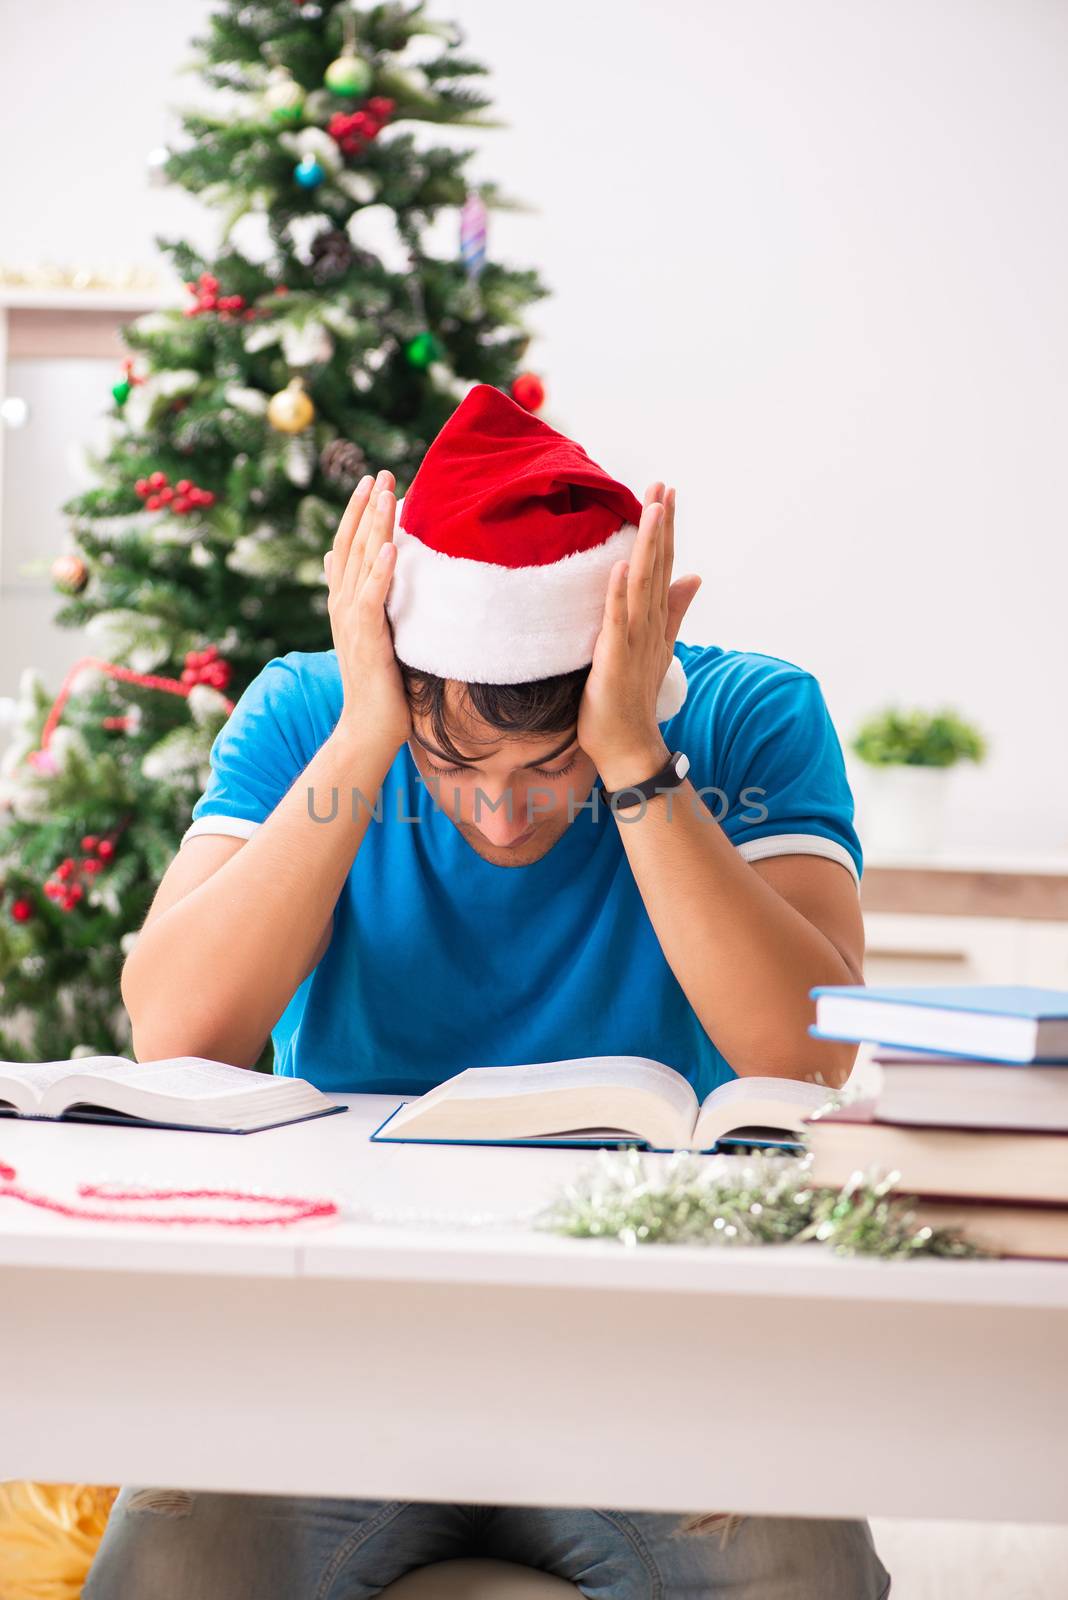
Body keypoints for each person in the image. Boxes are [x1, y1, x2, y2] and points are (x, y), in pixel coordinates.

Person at [86, 385, 889, 1599]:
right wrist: (364, 738)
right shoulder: (317, 708)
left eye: (547, 765)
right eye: (455, 763)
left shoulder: (741, 717)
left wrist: (632, 758)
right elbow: (178, 1027)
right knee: (174, 1559)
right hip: (344, 1336)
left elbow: (805, 1054)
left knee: (799, 1567)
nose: (502, 814)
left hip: (657, 1344)